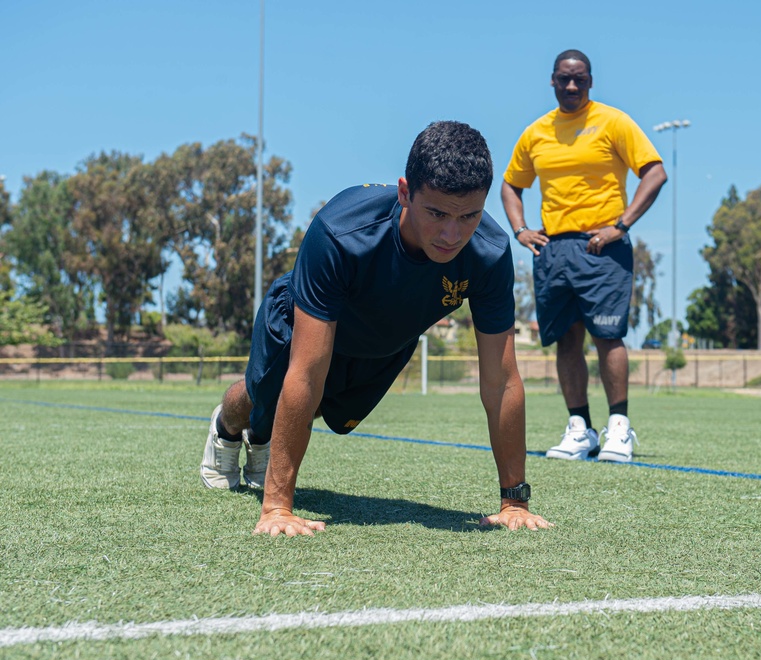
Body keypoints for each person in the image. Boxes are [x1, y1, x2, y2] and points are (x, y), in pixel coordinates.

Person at [200, 121, 553, 537]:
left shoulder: (489, 254)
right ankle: (227, 426)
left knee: (320, 410)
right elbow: (308, 369)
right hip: (302, 323)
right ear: (405, 192)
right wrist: (277, 508)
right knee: (269, 395)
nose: (452, 234)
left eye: (469, 215)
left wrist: (515, 501)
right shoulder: (341, 231)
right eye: (437, 213)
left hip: (383, 344)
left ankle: (261, 440)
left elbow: (502, 381)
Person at [501, 49, 667, 463]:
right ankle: (580, 429)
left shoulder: (614, 121)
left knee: (607, 336)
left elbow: (655, 172)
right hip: (554, 249)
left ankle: (619, 429)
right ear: (552, 81)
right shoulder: (536, 132)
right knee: (565, 339)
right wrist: (520, 229)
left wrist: (621, 226)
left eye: (579, 79)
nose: (571, 86)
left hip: (604, 246)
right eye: (563, 79)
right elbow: (510, 184)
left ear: (591, 81)